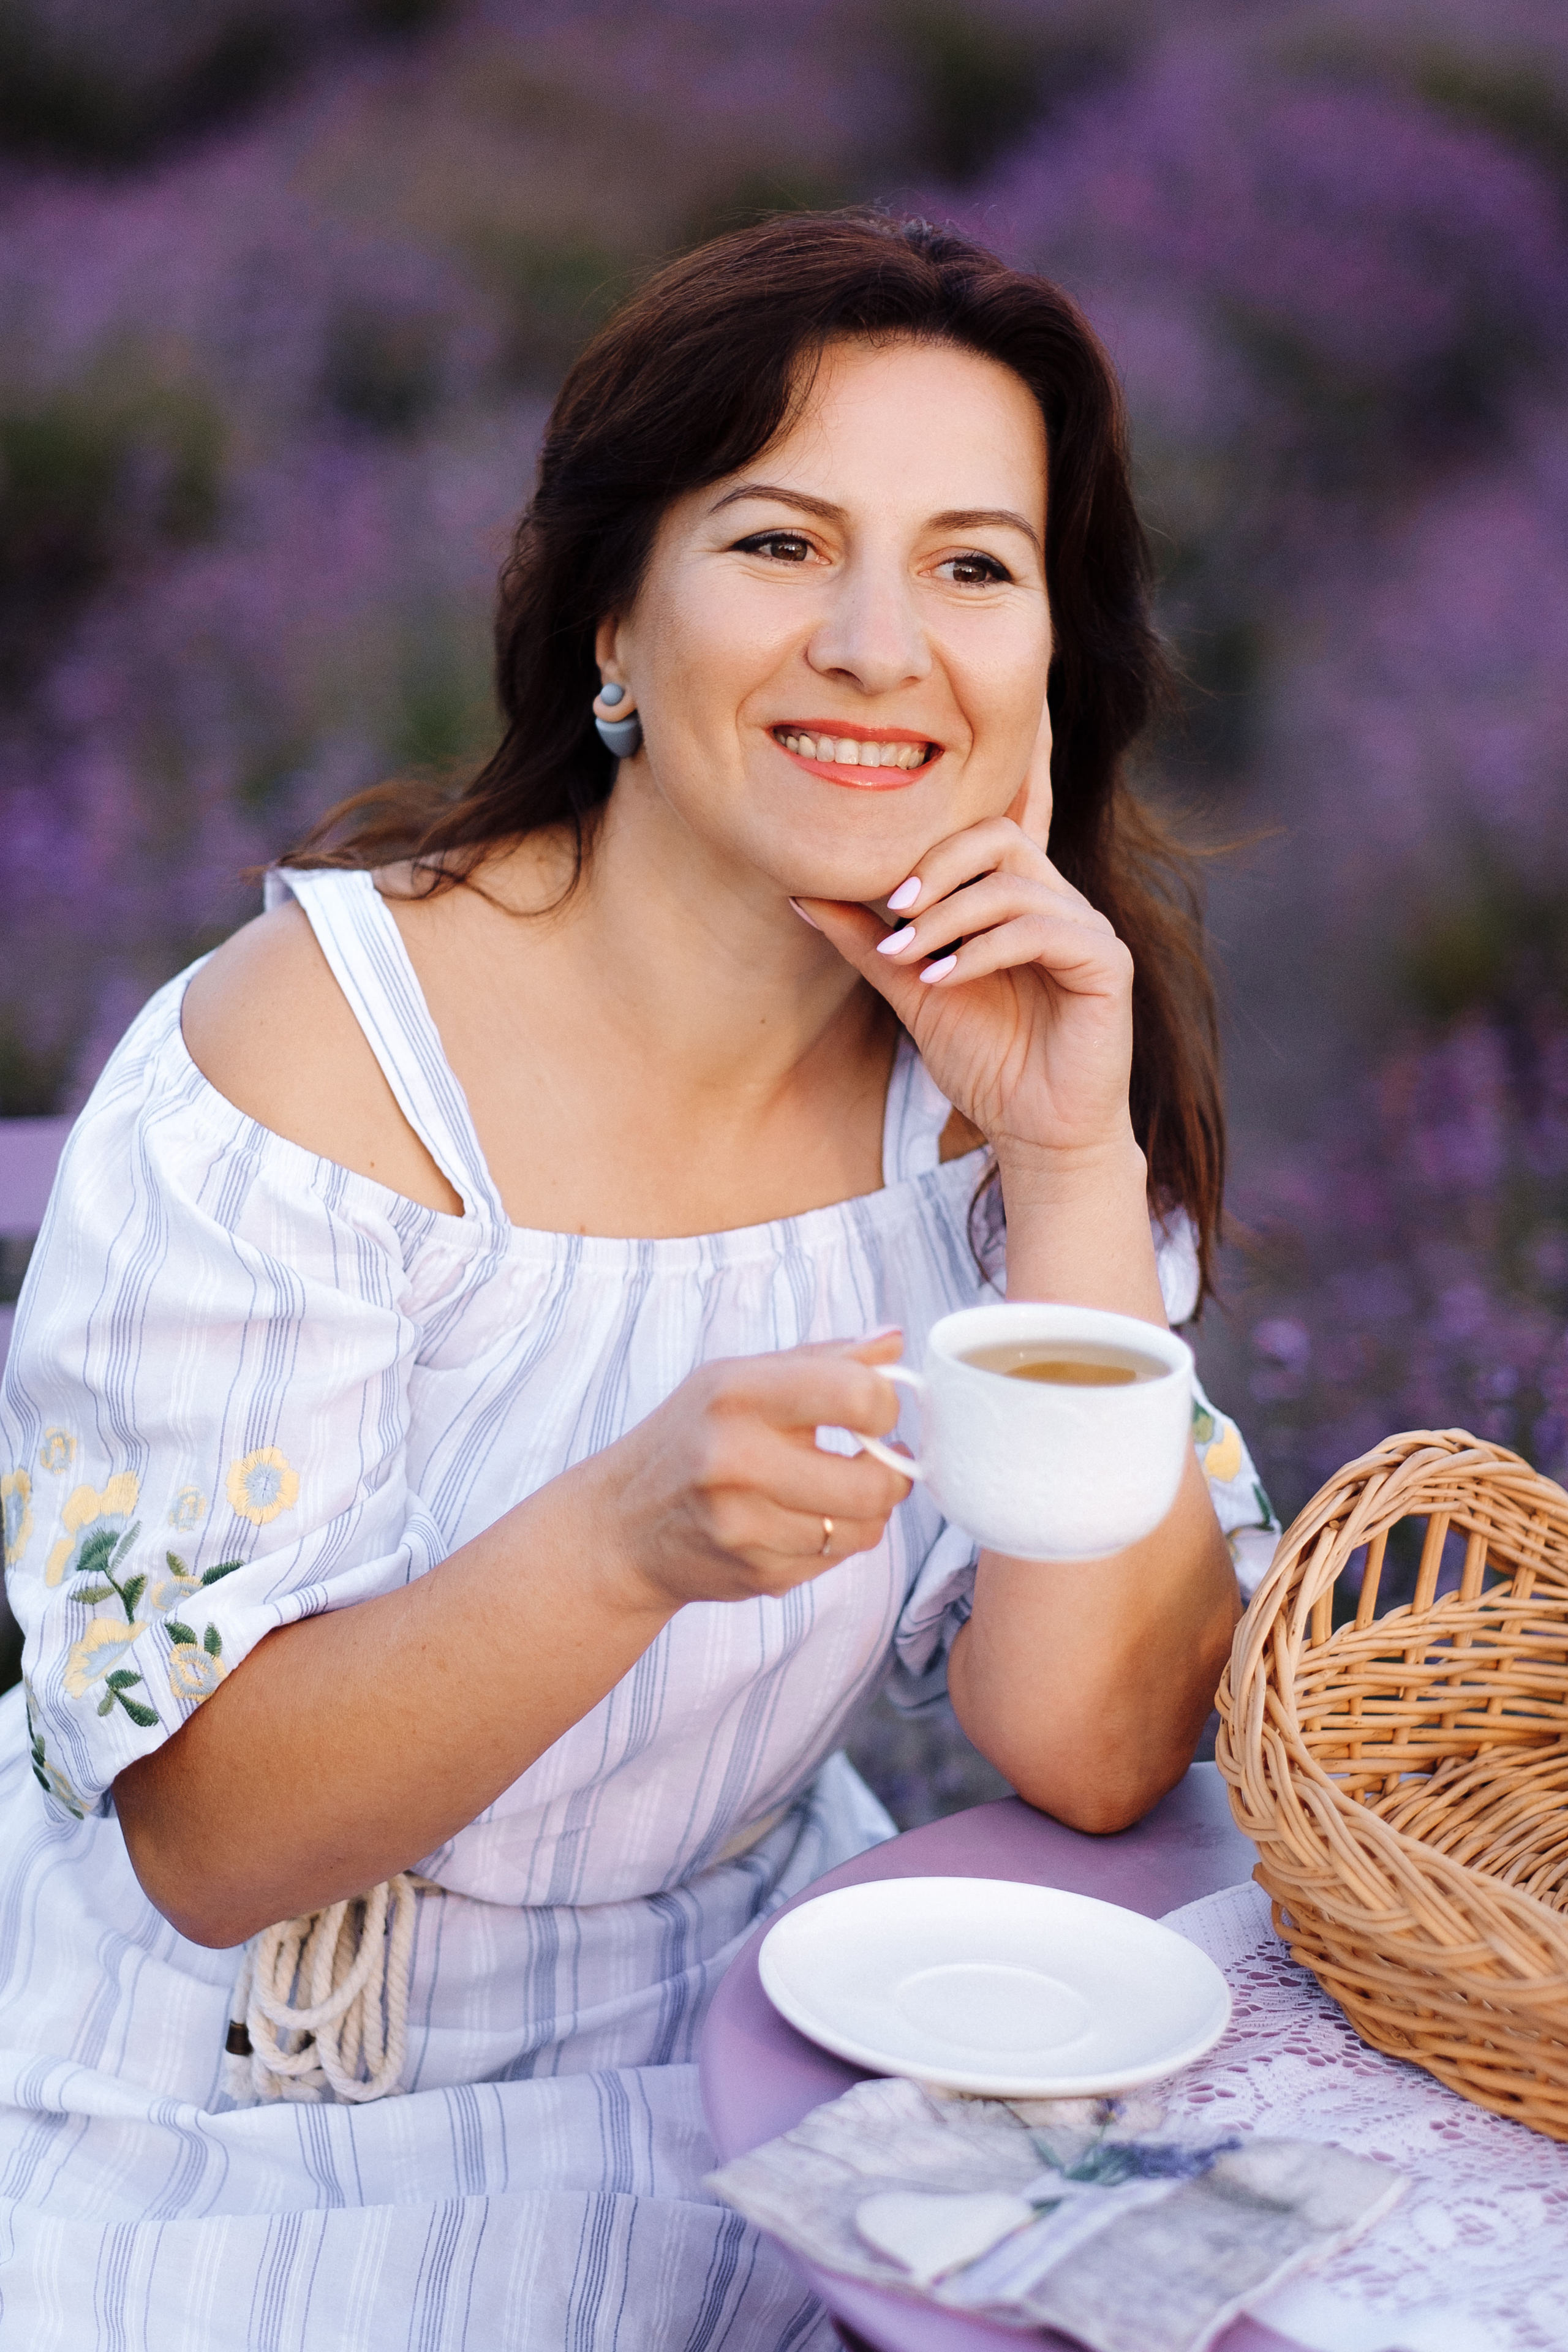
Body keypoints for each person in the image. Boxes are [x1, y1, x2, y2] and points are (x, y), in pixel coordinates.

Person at [0, 211, 1275, 2348]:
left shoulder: (1010, 1082)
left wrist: (1066, 1163)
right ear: (614, 610)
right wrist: (620, 1537)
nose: (881, 643)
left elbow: (1097, 1743)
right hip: (215, 2086)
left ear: (1052, 658)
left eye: (974, 564)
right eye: (781, 544)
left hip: (744, 2042)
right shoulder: (310, 1056)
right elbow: (205, 1843)